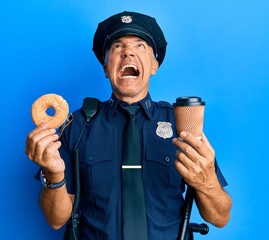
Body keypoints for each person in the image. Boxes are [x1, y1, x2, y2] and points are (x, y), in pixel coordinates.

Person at [25, 11, 232, 239]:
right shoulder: (78, 125)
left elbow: (219, 218)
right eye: (117, 47)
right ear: (106, 67)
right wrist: (53, 174)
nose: (128, 52)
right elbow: (56, 220)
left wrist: (207, 181)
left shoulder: (181, 124)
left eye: (140, 45)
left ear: (154, 65)